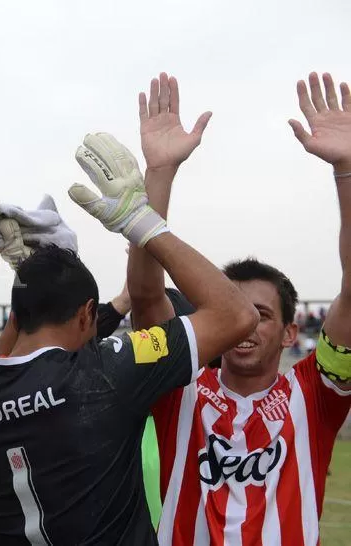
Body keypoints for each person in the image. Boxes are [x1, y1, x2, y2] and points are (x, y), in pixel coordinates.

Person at [0, 130, 258, 544]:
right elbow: (237, 314)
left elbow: (8, 355)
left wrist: (30, 269)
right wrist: (140, 222)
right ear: (87, 315)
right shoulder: (107, 371)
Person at [128, 72, 351, 545]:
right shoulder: (179, 390)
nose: (246, 325)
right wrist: (160, 174)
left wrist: (347, 171)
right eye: (237, 312)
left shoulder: (315, 395)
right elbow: (148, 298)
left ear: (291, 333)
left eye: (262, 315)